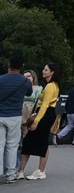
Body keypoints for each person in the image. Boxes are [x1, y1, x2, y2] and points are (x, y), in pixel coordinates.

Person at [18, 61, 60, 180]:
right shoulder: (52, 85)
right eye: (43, 69)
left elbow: (45, 105)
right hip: (46, 114)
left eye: (46, 70)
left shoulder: (51, 86)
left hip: (45, 114)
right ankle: (39, 170)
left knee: (30, 142)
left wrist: (36, 121)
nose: (43, 71)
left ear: (52, 72)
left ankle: (27, 170)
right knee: (41, 143)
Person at [0, 56, 32, 184]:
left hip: (0, 115)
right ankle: (10, 175)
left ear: (9, 65)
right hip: (15, 116)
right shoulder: (25, 81)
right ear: (21, 66)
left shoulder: (1, 79)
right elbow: (29, 93)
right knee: (12, 146)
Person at [20, 70, 40, 139]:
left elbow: (39, 102)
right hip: (19, 114)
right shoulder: (20, 88)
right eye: (24, 76)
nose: (27, 78)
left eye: (29, 76)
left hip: (30, 113)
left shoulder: (38, 88)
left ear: (33, 77)